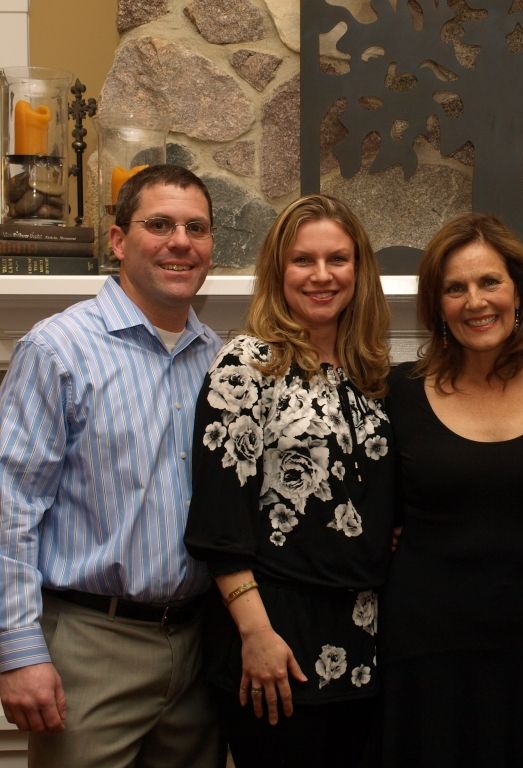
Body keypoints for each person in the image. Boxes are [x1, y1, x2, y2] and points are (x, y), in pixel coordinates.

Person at [0, 165, 223, 767]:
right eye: (160, 224)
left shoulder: (224, 363)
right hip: (91, 645)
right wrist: (19, 651)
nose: (181, 241)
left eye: (195, 228)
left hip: (200, 649)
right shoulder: (58, 349)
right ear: (119, 241)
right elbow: (9, 506)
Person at [184, 193, 396, 767]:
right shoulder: (247, 365)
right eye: (304, 260)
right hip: (273, 646)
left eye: (338, 259)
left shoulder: (370, 374)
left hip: (362, 645)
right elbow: (218, 521)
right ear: (279, 271)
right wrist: (255, 633)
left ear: (360, 269)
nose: (322, 275)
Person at [380, 212, 523, 768]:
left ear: (518, 290)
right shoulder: (400, 390)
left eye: (489, 281)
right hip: (424, 648)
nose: (475, 301)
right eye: (455, 288)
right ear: (436, 304)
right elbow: (375, 515)